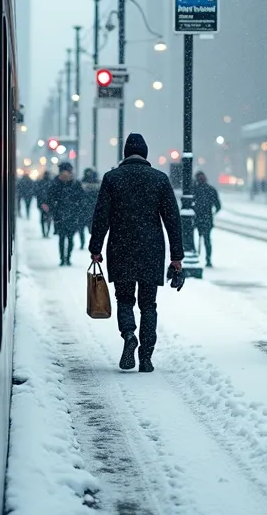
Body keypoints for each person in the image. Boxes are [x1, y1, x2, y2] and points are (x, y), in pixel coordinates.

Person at [88, 134, 183, 373]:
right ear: (146, 154)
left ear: (125, 154)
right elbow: (173, 220)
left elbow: (102, 215)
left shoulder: (112, 179)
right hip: (151, 249)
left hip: (121, 246)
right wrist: (176, 256)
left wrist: (96, 248)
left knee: (125, 299)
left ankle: (129, 334)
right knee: (148, 304)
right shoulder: (159, 179)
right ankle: (146, 357)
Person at [44, 163, 86, 266]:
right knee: (62, 238)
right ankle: (63, 258)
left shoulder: (75, 184)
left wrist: (79, 210)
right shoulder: (56, 184)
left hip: (72, 215)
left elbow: (81, 199)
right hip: (60, 215)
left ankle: (68, 257)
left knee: (70, 238)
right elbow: (50, 198)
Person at [191, 171, 222, 267]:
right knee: (207, 240)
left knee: (189, 237)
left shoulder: (193, 189)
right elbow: (218, 206)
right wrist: (211, 212)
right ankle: (208, 259)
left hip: (196, 218)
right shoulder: (211, 190)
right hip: (207, 218)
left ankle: (193, 254)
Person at [79, 168, 101, 249]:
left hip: (87, 209)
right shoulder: (97, 183)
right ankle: (88, 243)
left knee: (86, 229)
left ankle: (86, 243)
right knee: (89, 229)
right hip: (90, 209)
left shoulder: (81, 182)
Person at [36, 172, 54, 237]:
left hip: (43, 203)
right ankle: (47, 232)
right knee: (48, 219)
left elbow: (38, 194)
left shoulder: (41, 182)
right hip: (48, 204)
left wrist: (39, 204)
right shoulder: (51, 182)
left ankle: (44, 232)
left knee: (43, 220)